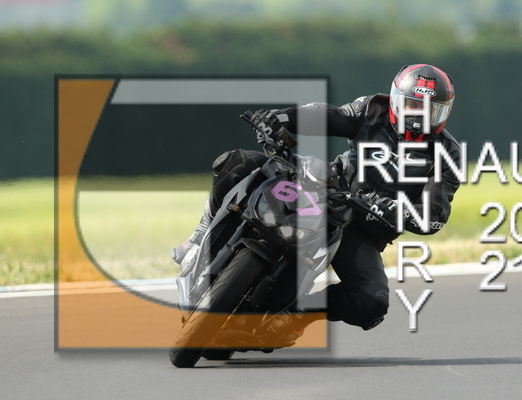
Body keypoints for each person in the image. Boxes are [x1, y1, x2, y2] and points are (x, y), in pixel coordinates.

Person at [172, 64, 462, 345]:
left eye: (430, 109)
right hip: (326, 189)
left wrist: (393, 208)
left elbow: (433, 216)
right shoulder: (373, 109)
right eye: (414, 105)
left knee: (371, 301)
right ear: (397, 101)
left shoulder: (448, 154)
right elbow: (330, 115)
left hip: (362, 229)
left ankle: (294, 316)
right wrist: (283, 119)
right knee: (238, 162)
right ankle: (199, 237)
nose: (420, 115)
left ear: (443, 112)